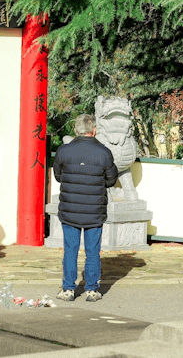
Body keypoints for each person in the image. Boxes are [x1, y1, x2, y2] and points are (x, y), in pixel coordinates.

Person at [53, 114, 119, 302]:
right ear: (94, 130)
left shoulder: (64, 151)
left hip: (70, 211)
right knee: (93, 252)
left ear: (76, 130)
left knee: (70, 250)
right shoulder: (104, 152)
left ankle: (68, 289)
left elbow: (58, 176)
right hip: (94, 211)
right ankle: (91, 290)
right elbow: (111, 180)